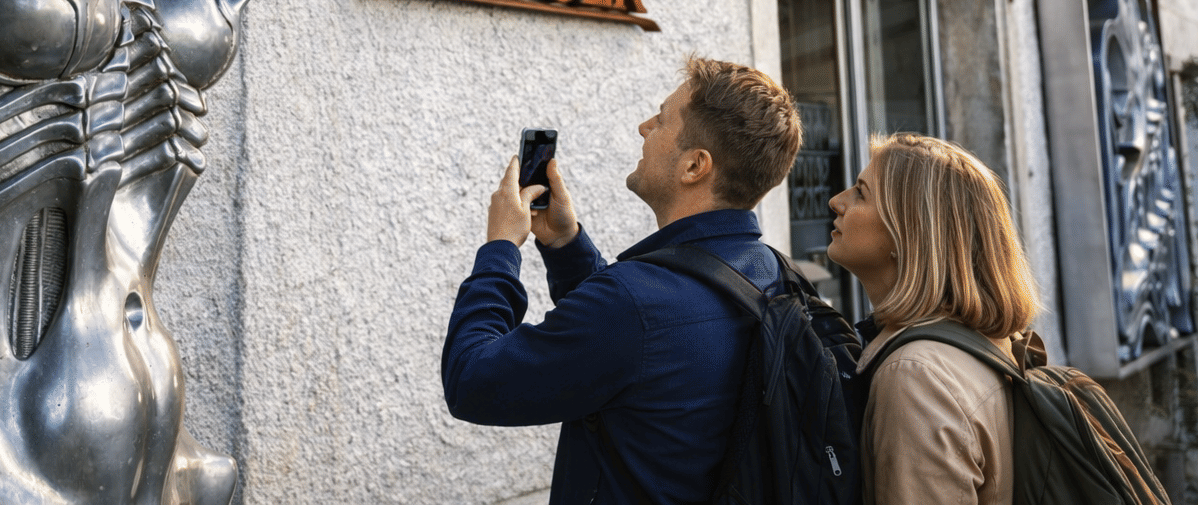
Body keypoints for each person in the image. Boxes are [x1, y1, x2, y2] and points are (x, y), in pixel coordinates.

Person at [441, 56, 803, 505]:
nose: (643, 126)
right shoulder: (775, 274)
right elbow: (635, 346)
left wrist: (500, 248)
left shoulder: (633, 305)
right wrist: (565, 244)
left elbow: (471, 380)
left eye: (662, 119)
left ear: (694, 166)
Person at [828, 133, 1040, 505]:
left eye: (861, 193)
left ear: (908, 231)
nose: (837, 201)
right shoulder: (990, 344)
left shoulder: (916, 376)